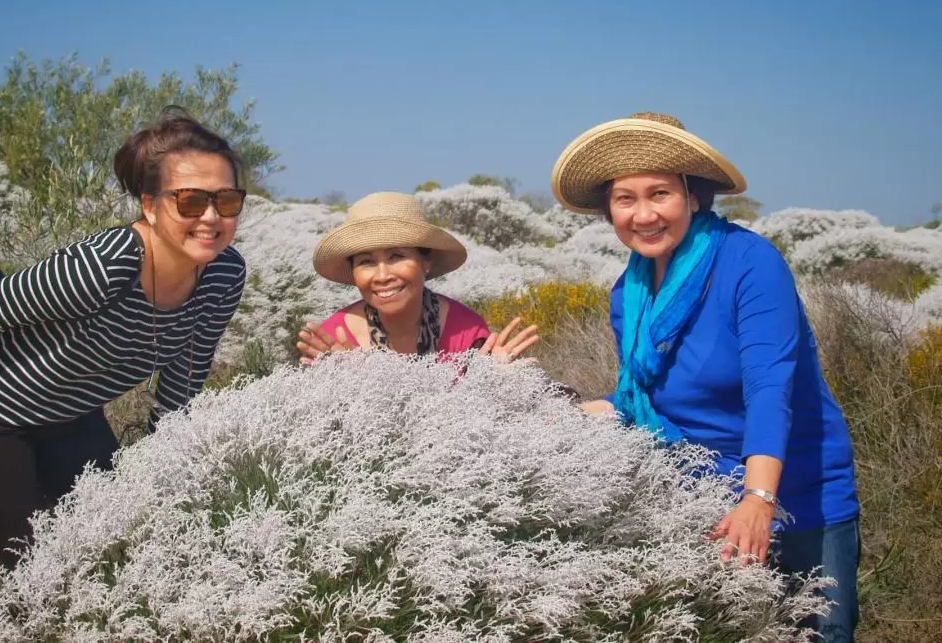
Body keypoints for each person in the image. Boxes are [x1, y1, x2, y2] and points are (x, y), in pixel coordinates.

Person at [550, 112, 860, 642]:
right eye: (625, 199)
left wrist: (758, 500)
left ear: (693, 196)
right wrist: (541, 412)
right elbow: (639, 400)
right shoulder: (631, 294)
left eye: (660, 194)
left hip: (800, 492)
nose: (643, 215)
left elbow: (769, 387)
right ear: (609, 210)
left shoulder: (750, 263)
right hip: (700, 497)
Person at [0, 108, 248, 568]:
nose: (210, 217)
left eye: (227, 201)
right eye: (190, 201)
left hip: (74, 415)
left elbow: (186, 373)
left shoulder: (224, 272)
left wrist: (160, 462)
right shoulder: (106, 266)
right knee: (36, 568)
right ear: (149, 204)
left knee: (116, 550)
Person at [297, 191, 538, 364]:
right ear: (353, 271)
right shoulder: (331, 340)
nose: (382, 276)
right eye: (366, 262)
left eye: (396, 256)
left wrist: (500, 384)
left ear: (427, 261)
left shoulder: (466, 331)